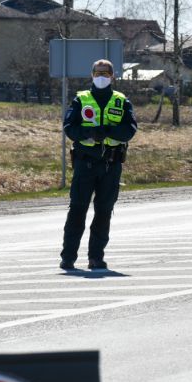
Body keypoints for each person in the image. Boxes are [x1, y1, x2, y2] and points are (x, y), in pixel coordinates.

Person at [60, 59, 138, 271]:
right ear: (91, 75)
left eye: (105, 72)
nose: (101, 76)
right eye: (97, 72)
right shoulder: (81, 99)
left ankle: (96, 257)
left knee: (103, 212)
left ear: (112, 76)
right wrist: (88, 133)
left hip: (110, 165)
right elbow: (69, 127)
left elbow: (130, 129)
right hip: (85, 164)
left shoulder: (121, 101)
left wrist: (108, 131)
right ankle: (68, 257)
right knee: (77, 210)